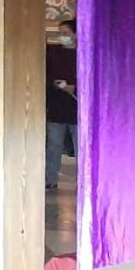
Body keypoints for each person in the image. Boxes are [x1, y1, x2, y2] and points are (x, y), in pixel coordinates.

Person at [46, 18, 77, 191]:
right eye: (60, 33)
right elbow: (47, 75)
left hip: (77, 109)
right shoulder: (54, 54)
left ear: (75, 35)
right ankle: (50, 178)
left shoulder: (84, 54)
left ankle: (84, 180)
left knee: (80, 147)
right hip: (57, 108)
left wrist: (74, 88)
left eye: (65, 33)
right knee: (54, 146)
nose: (62, 36)